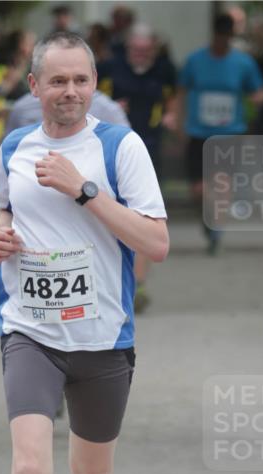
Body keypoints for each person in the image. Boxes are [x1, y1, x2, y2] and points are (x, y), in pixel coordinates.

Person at [0, 31, 168, 474]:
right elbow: (4, 218)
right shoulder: (14, 146)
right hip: (30, 330)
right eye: (56, 81)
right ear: (32, 87)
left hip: (101, 336)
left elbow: (156, 242)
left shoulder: (120, 147)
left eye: (80, 81)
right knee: (30, 470)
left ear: (95, 87)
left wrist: (85, 190)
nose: (68, 92)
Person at [98, 24, 177, 310]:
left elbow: (173, 96)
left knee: (145, 216)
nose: (141, 55)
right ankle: (111, 282)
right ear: (128, 48)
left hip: (149, 147)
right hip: (113, 150)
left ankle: (137, 285)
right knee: (114, 215)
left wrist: (170, 115)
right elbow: (91, 100)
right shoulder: (109, 68)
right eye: (136, 50)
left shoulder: (165, 70)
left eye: (146, 50)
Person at [175, 13, 263, 254]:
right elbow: (181, 93)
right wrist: (179, 123)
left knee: (223, 183)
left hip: (230, 133)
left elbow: (260, 92)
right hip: (198, 132)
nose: (222, 41)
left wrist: (252, 105)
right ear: (213, 35)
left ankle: (216, 228)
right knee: (199, 189)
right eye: (219, 36)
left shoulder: (243, 63)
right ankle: (208, 218)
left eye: (227, 37)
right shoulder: (195, 61)